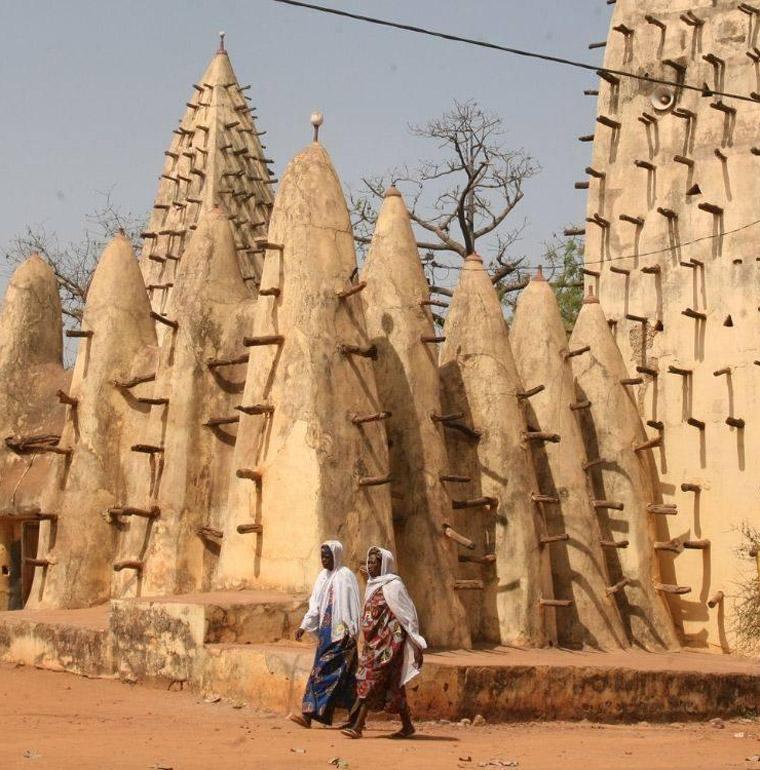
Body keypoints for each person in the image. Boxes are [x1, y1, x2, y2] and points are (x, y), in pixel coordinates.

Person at [341, 546, 426, 739]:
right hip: (373, 643)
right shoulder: (372, 585)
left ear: (384, 564)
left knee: (370, 678)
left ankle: (358, 726)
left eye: (374, 562)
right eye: (369, 562)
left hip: (390, 644)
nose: (370, 566)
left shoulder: (394, 585)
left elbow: (407, 615)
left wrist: (416, 643)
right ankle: (408, 726)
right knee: (393, 685)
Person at [289, 541, 361, 728]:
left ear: (335, 556)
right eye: (322, 557)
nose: (324, 560)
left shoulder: (345, 576)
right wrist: (304, 626)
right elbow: (315, 605)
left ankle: (309, 716)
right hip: (326, 634)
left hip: (342, 636)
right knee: (337, 676)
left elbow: (351, 606)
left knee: (329, 674)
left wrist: (350, 630)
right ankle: (352, 718)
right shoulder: (322, 577)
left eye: (327, 557)